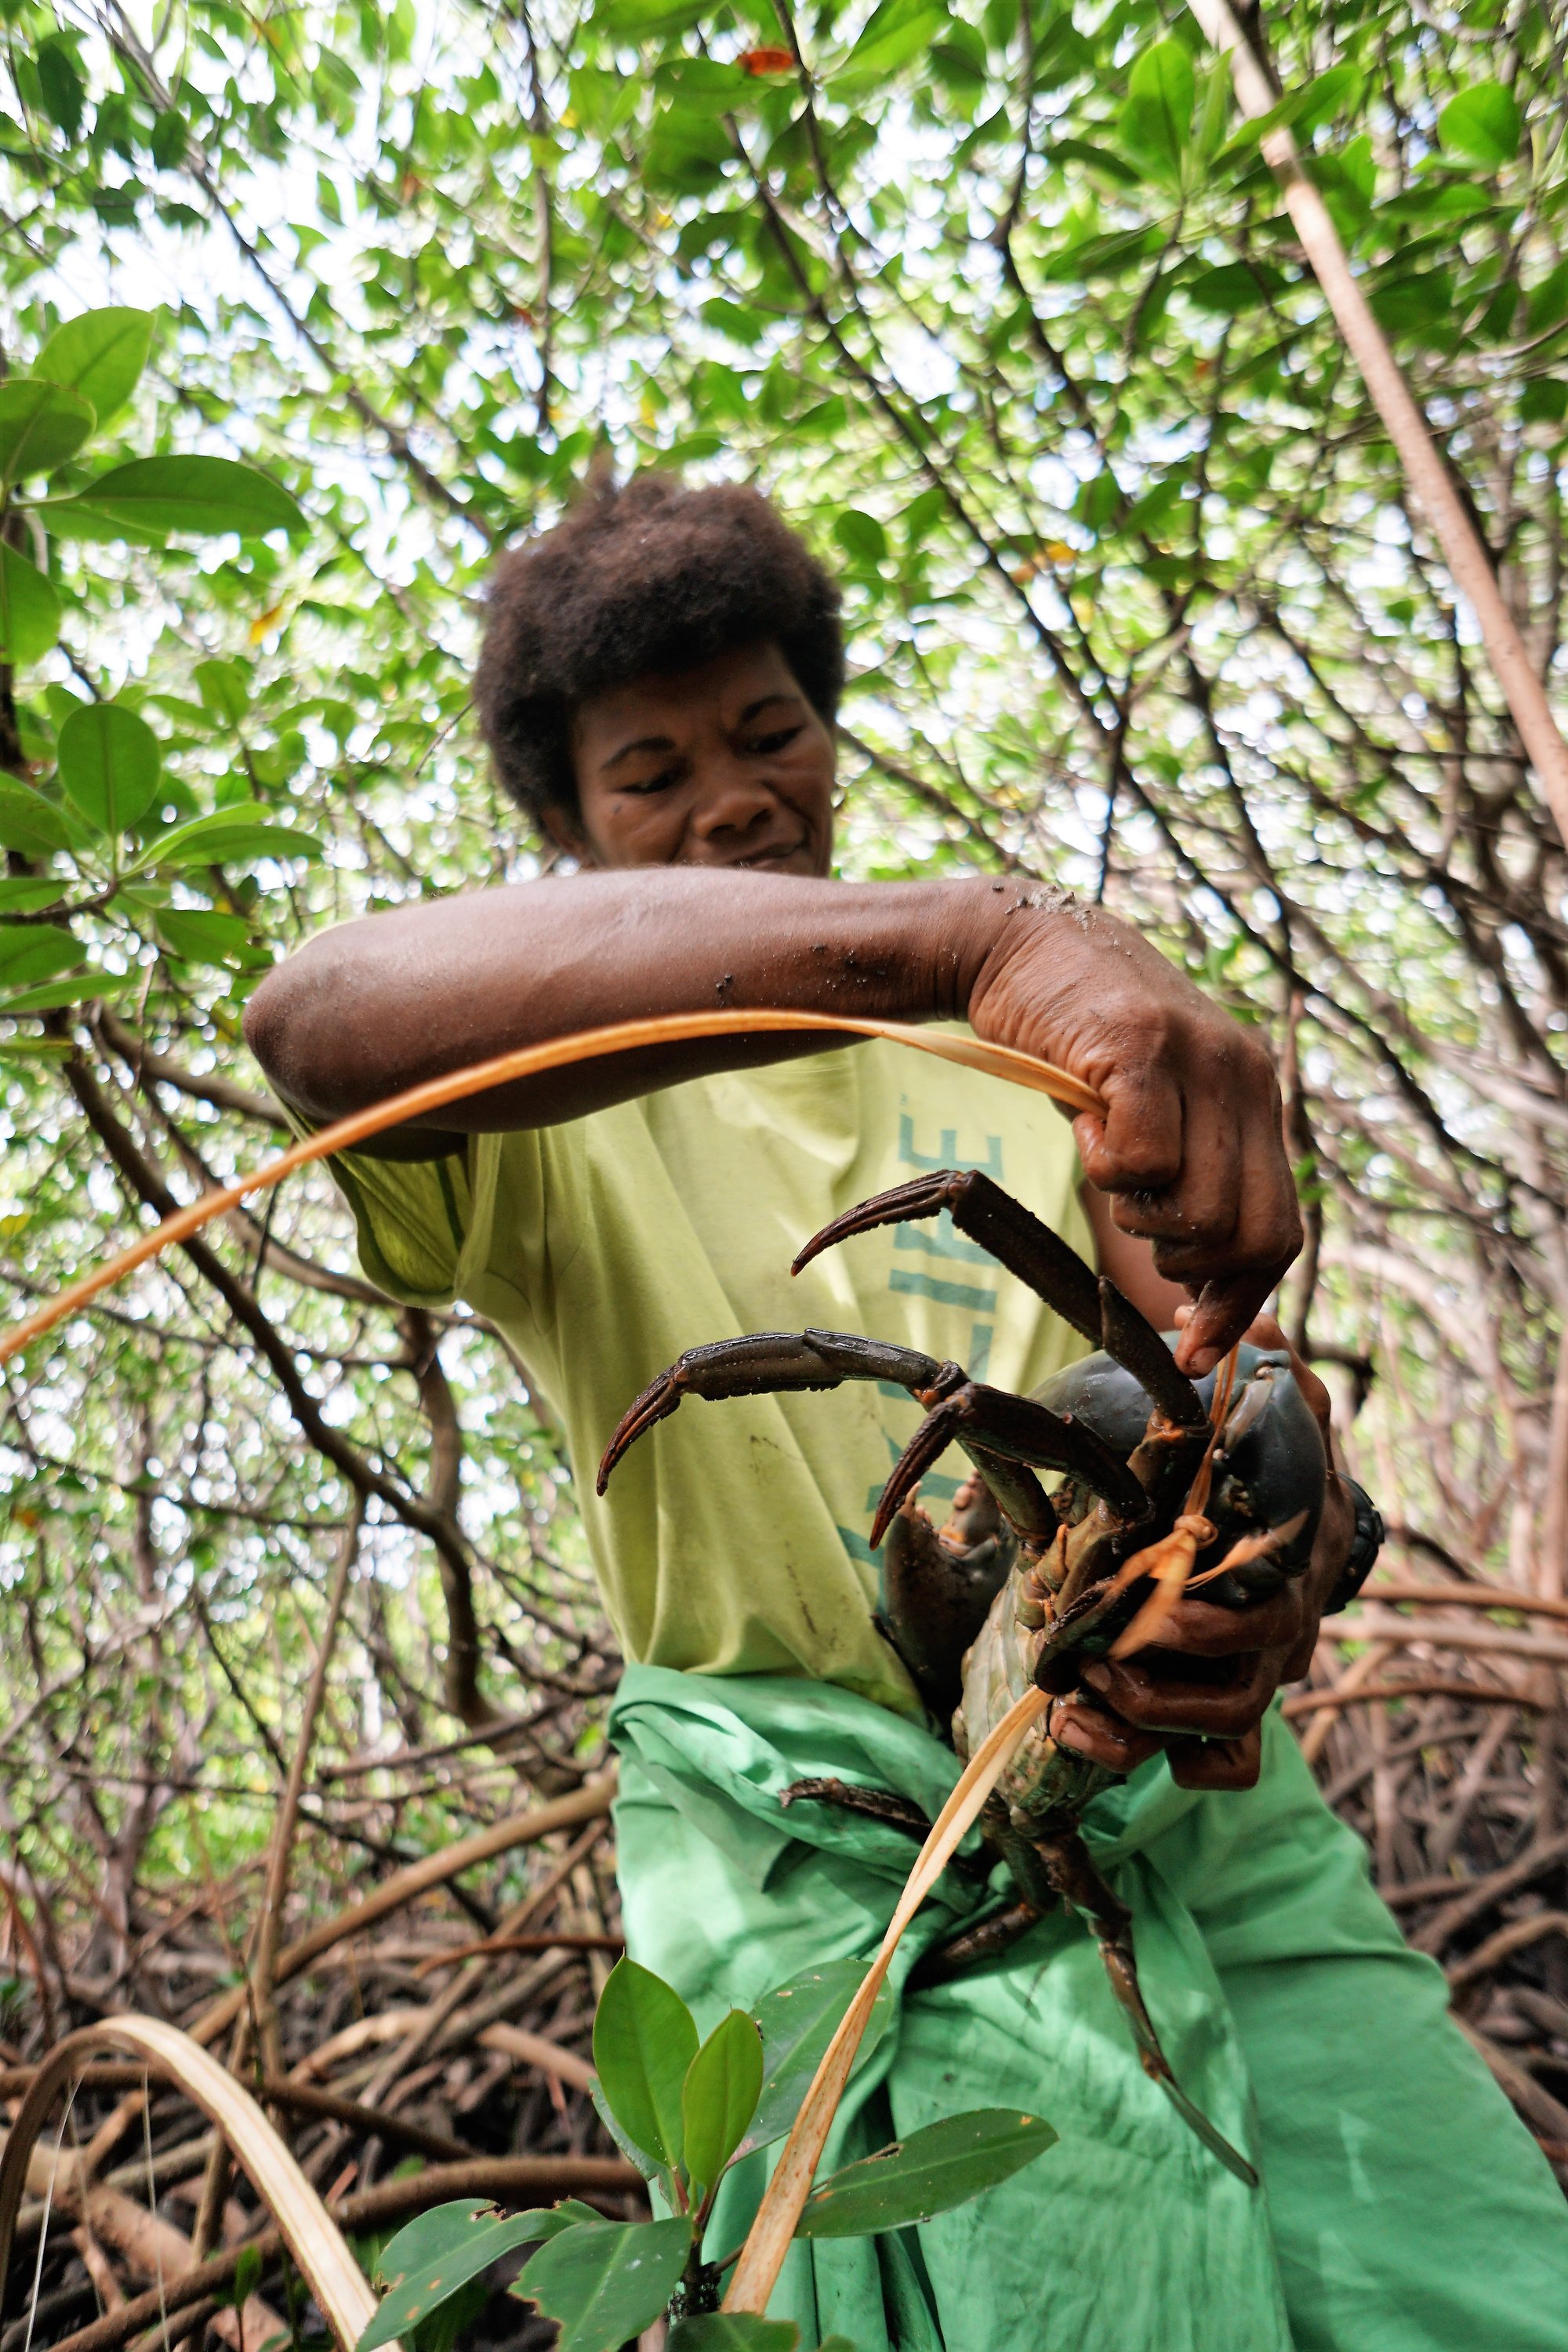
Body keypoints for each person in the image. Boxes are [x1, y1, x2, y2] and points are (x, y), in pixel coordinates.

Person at [246, 477, 1568, 2351]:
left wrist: (1270, 1575)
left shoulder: (1035, 1085)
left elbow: (1217, 1385)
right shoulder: (543, 1117)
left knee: (1480, 2283)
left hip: (1182, 1827)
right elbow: (314, 1016)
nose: (731, 794)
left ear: (830, 730)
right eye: (651, 775)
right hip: (815, 1861)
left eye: (770, 730)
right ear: (566, 835)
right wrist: (961, 939)